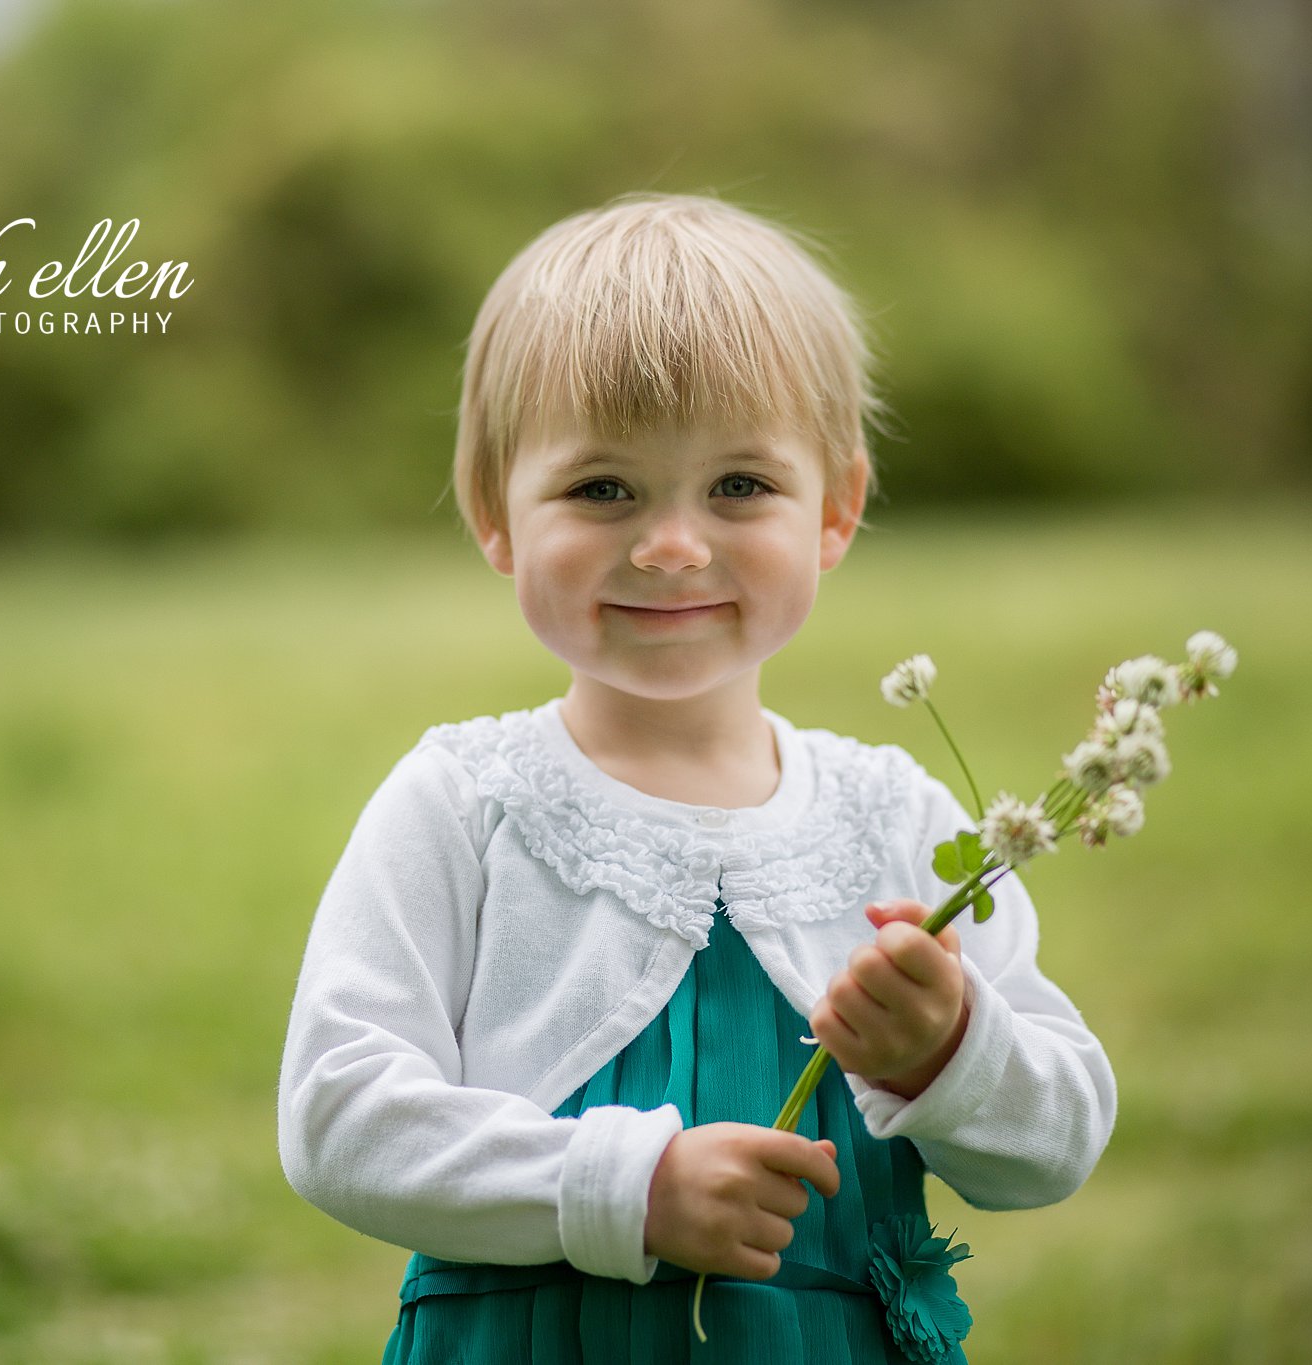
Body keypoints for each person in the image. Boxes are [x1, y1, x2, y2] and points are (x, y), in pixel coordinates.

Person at [276, 192, 1115, 1363]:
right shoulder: (464, 805)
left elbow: (1057, 1143)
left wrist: (948, 1049)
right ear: (494, 514)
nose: (671, 544)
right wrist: (626, 1186)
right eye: (602, 488)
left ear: (836, 509)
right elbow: (337, 1117)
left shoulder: (895, 821)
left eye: (737, 487)